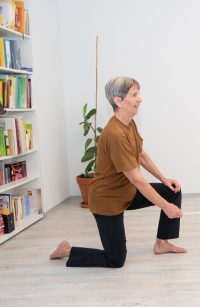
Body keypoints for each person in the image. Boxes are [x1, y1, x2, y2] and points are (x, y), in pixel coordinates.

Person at [50, 77, 186, 268]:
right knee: (115, 259)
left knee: (173, 190)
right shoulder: (114, 134)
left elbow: (141, 154)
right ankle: (67, 250)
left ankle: (162, 243)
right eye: (134, 94)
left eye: (138, 93)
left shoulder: (130, 123)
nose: (140, 99)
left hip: (126, 193)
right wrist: (165, 206)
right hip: (108, 201)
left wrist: (164, 179)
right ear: (118, 100)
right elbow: (137, 179)